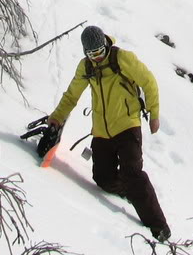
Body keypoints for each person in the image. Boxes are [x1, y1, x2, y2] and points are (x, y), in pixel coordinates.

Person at [49, 25, 171, 242]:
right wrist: (57, 117)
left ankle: (159, 227)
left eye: (100, 52)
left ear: (106, 45)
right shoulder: (86, 67)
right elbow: (72, 95)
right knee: (102, 178)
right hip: (102, 132)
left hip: (127, 125)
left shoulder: (122, 58)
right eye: (91, 54)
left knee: (132, 173)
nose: (97, 58)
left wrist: (154, 113)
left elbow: (149, 82)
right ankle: (129, 190)